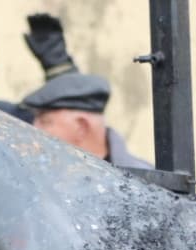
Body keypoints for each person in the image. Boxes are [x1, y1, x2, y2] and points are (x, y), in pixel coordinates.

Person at [19, 13, 151, 168]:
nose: (33, 128)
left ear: (81, 128)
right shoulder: (39, 174)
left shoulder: (144, 185)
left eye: (45, 121)